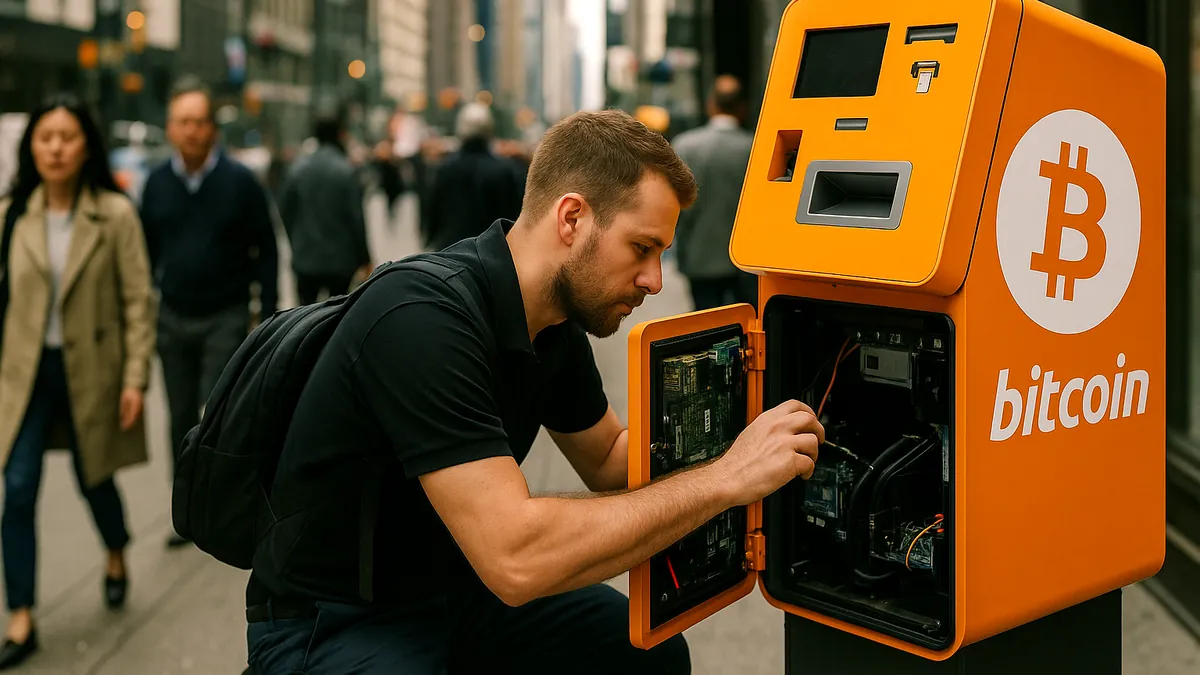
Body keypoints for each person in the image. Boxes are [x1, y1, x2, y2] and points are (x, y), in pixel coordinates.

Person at [244, 109, 823, 674]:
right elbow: (516, 557)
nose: (656, 281)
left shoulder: (550, 324)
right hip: (332, 620)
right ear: (571, 219)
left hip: (454, 592)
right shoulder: (420, 318)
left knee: (647, 654)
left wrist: (745, 431)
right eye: (642, 248)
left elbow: (607, 458)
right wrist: (726, 480)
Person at [0, 93, 156, 668]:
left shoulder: (114, 215)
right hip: (25, 375)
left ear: (85, 143)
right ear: (31, 146)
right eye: (45, 138)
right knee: (16, 490)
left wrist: (135, 378)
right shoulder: (12, 213)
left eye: (67, 137)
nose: (56, 147)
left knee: (96, 478)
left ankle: (115, 550)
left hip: (92, 371)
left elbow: (140, 301)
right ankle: (21, 614)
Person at [139, 76, 279, 548]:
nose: (192, 131)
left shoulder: (240, 183)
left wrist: (270, 313)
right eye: (183, 122)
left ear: (213, 129)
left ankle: (231, 506)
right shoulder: (156, 184)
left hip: (226, 313)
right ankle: (186, 511)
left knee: (216, 415)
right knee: (179, 416)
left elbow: (268, 248)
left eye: (200, 122)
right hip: (173, 316)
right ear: (169, 128)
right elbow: (144, 252)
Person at [670, 75, 758, 310]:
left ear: (712, 104)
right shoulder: (755, 147)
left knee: (705, 325)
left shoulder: (686, 146)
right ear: (742, 108)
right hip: (745, 262)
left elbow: (677, 208)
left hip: (699, 257)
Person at [279, 106, 372, 305]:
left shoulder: (297, 169)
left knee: (303, 320)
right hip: (340, 262)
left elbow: (285, 211)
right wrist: (365, 258)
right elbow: (356, 218)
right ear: (340, 135)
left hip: (305, 259)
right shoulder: (346, 171)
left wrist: (296, 242)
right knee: (335, 321)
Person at [424, 101, 524, 251]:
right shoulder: (503, 170)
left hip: (450, 250)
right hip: (491, 252)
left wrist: (429, 237)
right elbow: (513, 214)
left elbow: (433, 210)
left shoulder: (445, 168)